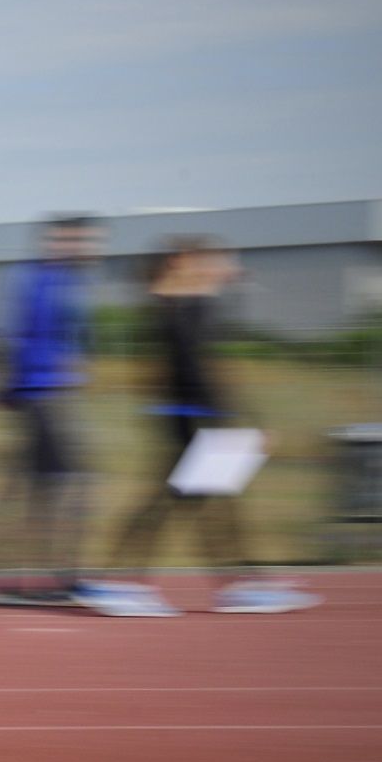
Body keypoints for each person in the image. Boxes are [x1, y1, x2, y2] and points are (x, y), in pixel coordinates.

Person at [94, 237, 321, 615]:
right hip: (192, 416)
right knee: (177, 499)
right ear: (182, 260)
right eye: (214, 261)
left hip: (196, 413)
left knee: (207, 500)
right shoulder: (178, 306)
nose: (223, 268)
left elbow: (201, 365)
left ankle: (237, 583)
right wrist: (229, 420)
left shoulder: (183, 304)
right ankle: (122, 582)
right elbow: (194, 368)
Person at [0, 214, 123, 611]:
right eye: (80, 240)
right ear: (57, 241)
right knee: (64, 484)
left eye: (93, 241)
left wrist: (80, 365)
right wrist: (9, 385)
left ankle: (17, 576)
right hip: (40, 393)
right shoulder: (31, 280)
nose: (90, 249)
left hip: (60, 392)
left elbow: (74, 338)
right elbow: (13, 334)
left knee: (41, 485)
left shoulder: (74, 283)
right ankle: (48, 577)